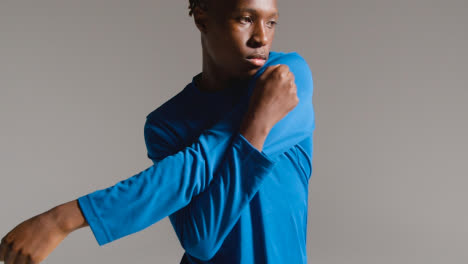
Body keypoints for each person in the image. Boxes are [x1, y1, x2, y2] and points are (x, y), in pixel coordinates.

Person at [0, 0, 315, 263]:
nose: (261, 37)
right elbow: (202, 239)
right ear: (203, 14)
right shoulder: (168, 122)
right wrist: (256, 125)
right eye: (246, 19)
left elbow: (198, 163)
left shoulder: (287, 79)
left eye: (271, 23)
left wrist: (63, 219)